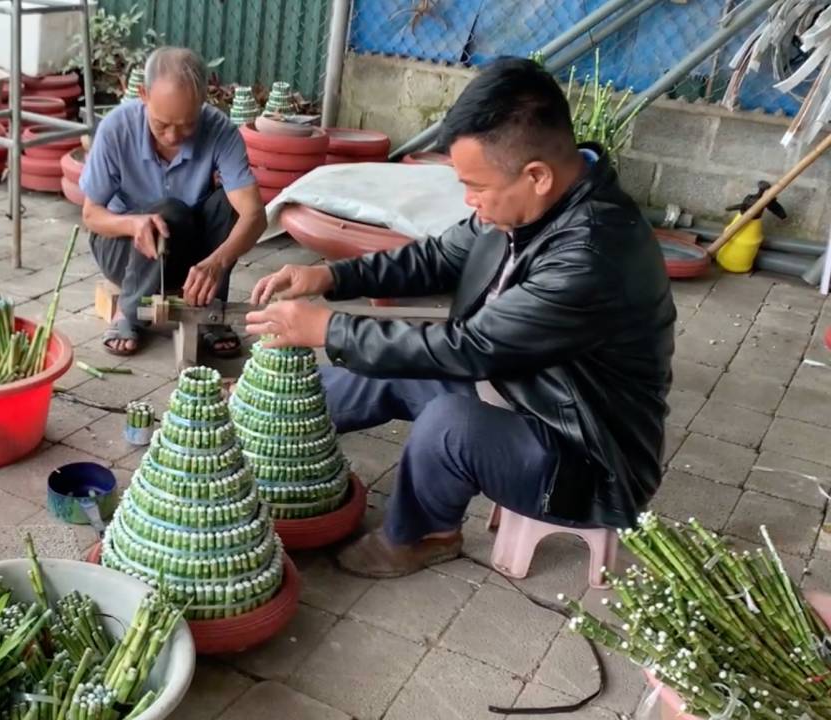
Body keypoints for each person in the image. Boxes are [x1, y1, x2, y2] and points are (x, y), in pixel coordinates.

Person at [245, 57, 676, 579]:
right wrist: (332, 280)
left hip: (585, 458)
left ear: (536, 175)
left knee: (447, 425)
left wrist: (325, 328)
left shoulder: (591, 254)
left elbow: (467, 348)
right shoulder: (527, 205)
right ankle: (259, 421)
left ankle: (423, 535)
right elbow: (437, 257)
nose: (469, 202)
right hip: (522, 387)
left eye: (476, 186)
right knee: (386, 365)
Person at [80, 46, 266, 357]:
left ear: (203, 100)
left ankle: (209, 309)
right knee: (169, 212)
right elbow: (91, 215)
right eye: (161, 124)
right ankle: (128, 311)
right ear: (143, 94)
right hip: (122, 250)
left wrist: (217, 261)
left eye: (187, 124)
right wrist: (133, 223)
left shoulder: (219, 130)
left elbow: (255, 215)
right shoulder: (116, 128)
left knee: (226, 205)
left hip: (189, 254)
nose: (172, 136)